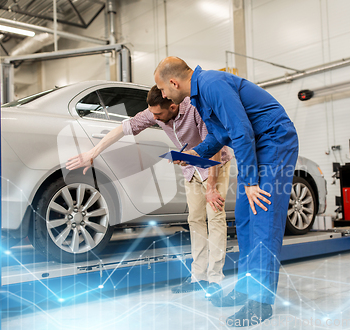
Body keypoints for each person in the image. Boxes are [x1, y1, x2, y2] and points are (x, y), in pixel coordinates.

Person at [154, 57, 299, 327]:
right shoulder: (199, 96)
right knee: (244, 218)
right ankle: (246, 288)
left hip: (274, 140)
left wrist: (252, 182)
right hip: (257, 144)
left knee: (262, 217)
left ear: (173, 82)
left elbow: (241, 131)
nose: (163, 95)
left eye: (162, 89)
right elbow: (220, 136)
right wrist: (196, 153)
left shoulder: (211, 83)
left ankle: (261, 302)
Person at [66, 85, 232, 298]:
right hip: (191, 166)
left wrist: (211, 189)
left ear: (173, 107)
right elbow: (124, 128)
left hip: (216, 164)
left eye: (158, 114)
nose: (154, 118)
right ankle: (198, 277)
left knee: (214, 217)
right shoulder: (156, 113)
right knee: (195, 219)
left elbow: (215, 147)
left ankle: (215, 278)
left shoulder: (195, 109)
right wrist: (93, 153)